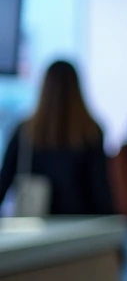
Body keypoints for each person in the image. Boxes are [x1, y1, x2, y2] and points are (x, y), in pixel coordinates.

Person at [0, 60, 113, 215]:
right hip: (80, 221)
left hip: (35, 219)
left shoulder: (26, 131)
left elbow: (4, 179)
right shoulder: (90, 132)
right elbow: (100, 187)